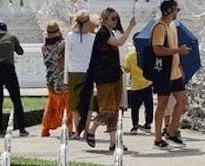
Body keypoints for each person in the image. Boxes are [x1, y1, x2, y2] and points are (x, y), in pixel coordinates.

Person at [83, 8, 136, 151]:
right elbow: (119, 42)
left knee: (115, 110)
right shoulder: (102, 33)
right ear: (104, 19)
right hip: (104, 76)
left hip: (114, 74)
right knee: (108, 109)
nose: (115, 21)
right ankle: (91, 129)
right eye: (112, 18)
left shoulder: (109, 32)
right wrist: (130, 26)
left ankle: (114, 142)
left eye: (116, 18)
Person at [152, 0, 191, 149]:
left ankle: (171, 132)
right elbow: (157, 50)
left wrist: (179, 64)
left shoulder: (173, 26)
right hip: (163, 72)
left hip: (174, 71)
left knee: (182, 101)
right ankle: (157, 139)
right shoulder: (160, 27)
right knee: (162, 104)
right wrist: (178, 51)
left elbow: (174, 48)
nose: (177, 13)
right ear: (170, 11)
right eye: (176, 10)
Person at [0, 21, 29, 137]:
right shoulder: (11, 37)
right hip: (7, 68)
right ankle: (22, 129)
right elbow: (20, 52)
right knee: (16, 99)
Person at [65, 9, 96, 138]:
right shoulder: (93, 37)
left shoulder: (70, 36)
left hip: (73, 71)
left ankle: (77, 131)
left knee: (75, 104)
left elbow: (67, 56)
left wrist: (65, 79)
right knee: (88, 103)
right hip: (87, 72)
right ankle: (86, 130)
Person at [40, 20, 68, 137]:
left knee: (51, 104)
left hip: (50, 79)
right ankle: (69, 127)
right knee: (67, 104)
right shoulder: (62, 45)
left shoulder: (44, 47)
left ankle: (45, 128)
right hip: (62, 79)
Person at [123, 46, 153, 134]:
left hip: (135, 85)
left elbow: (127, 69)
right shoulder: (148, 54)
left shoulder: (130, 55)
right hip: (147, 82)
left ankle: (135, 125)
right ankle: (148, 124)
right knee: (149, 106)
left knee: (135, 107)